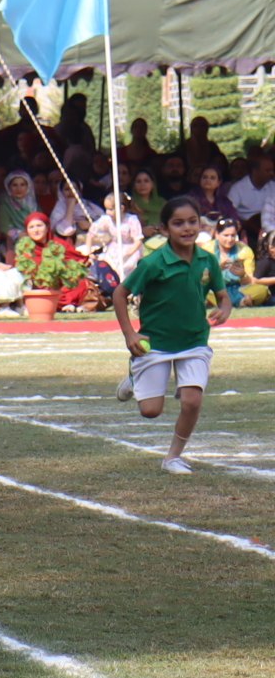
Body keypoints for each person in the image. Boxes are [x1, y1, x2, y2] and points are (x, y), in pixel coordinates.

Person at [113, 196, 232, 474]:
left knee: (192, 401)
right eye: (178, 223)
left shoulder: (208, 260)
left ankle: (173, 457)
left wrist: (225, 308)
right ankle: (134, 378)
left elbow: (223, 296)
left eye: (192, 221)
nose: (187, 228)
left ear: (200, 225)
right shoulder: (153, 263)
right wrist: (130, 334)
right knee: (151, 411)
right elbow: (120, 294)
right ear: (165, 229)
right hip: (156, 343)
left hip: (194, 341)